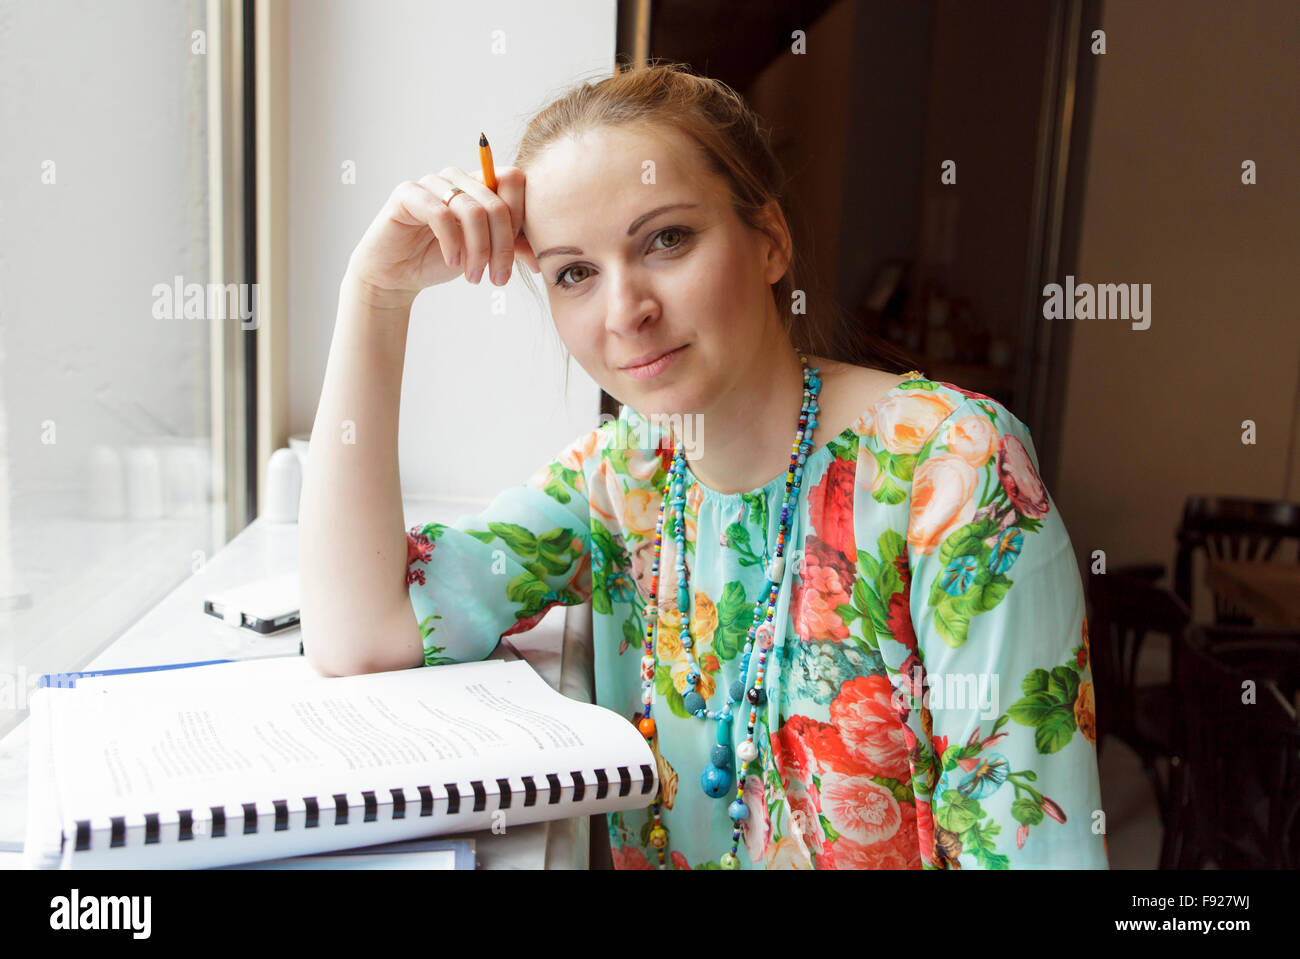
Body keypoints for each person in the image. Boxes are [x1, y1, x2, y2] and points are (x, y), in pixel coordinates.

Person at [299, 61, 1108, 870]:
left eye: (667, 239)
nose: (626, 312)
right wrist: (375, 296)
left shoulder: (955, 470)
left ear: (770, 240)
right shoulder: (621, 478)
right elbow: (362, 635)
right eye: (574, 272)